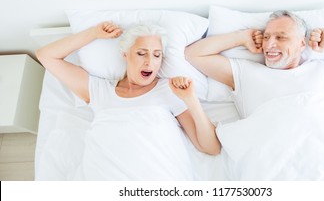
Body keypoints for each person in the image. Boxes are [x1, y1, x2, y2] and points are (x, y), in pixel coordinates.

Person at [36, 22, 220, 180]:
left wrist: (191, 100)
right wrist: (93, 33)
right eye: (141, 53)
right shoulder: (100, 90)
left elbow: (211, 148)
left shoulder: (169, 90)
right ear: (125, 54)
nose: (150, 62)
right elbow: (45, 55)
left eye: (157, 55)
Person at [185, 10, 324, 118]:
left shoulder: (320, 71)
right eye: (266, 36)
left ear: (302, 43)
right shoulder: (246, 73)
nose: (269, 44)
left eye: (281, 37)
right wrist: (240, 38)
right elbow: (194, 54)